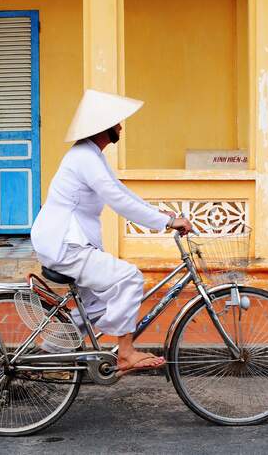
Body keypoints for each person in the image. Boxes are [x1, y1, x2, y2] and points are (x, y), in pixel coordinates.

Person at [30, 89, 192, 376]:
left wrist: (162, 215)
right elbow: (118, 200)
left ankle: (45, 358)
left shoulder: (89, 155)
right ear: (103, 126)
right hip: (65, 245)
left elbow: (119, 191)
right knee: (129, 278)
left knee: (97, 307)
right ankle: (126, 353)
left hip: (66, 242)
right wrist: (166, 223)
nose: (120, 127)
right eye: (116, 122)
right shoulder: (85, 157)